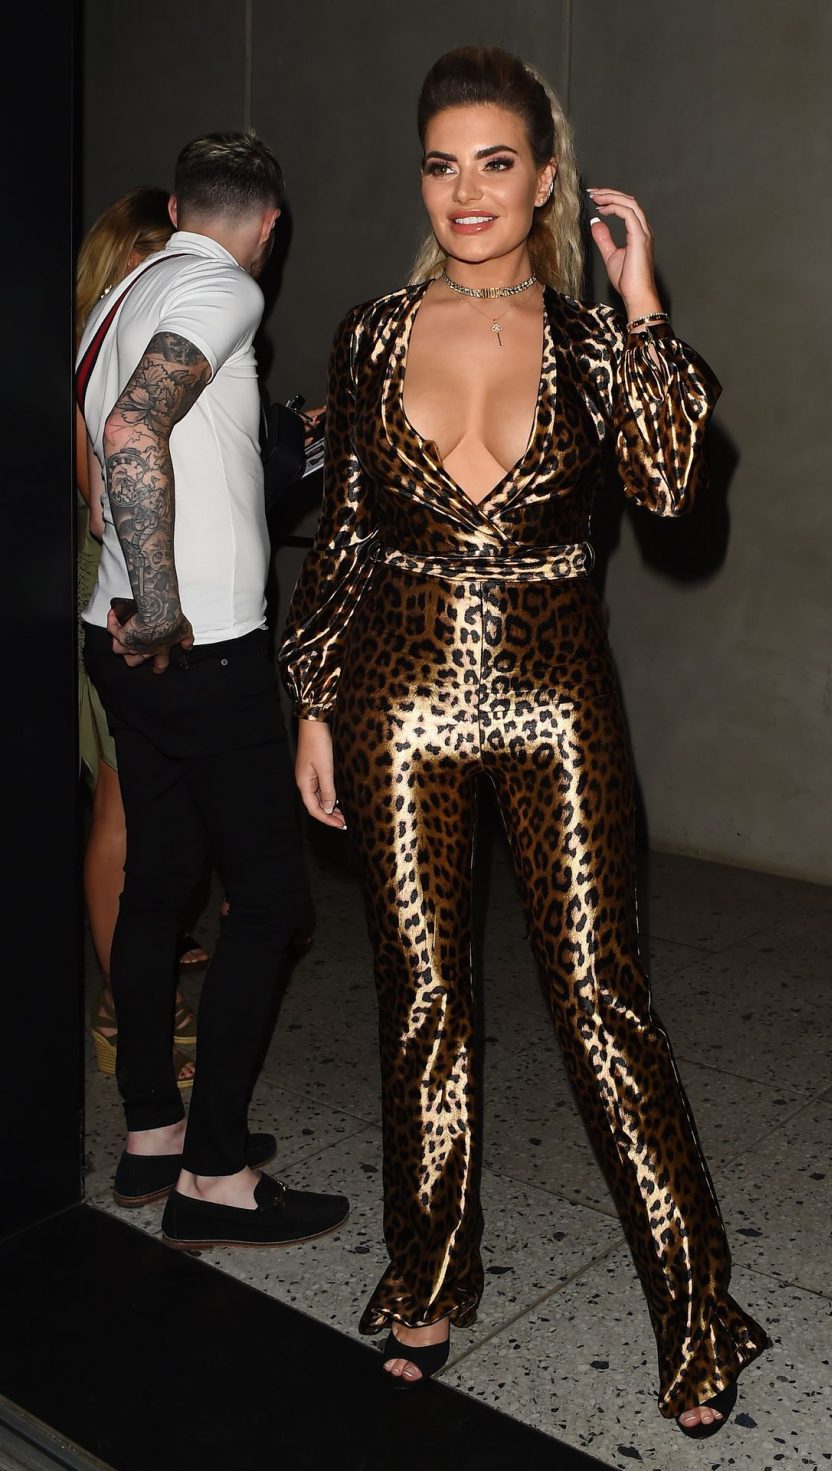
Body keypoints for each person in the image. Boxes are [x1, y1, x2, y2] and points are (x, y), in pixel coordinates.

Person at [280, 46, 768, 1438]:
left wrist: (643, 302)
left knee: (605, 1004)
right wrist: (315, 699)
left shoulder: (595, 342)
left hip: (558, 700)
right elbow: (350, 529)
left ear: (546, 178)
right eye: (442, 164)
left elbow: (669, 486)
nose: (466, 191)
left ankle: (696, 1309)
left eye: (496, 162)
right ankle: (429, 1277)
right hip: (401, 694)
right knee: (422, 1004)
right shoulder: (371, 333)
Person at [80, 130, 349, 1249]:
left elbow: (140, 435)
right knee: (273, 905)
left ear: (180, 205)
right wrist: (163, 601)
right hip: (199, 651)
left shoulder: (125, 288)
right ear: (269, 226)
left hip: (118, 643)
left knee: (159, 884)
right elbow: (136, 425)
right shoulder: (225, 287)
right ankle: (217, 1177)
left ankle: (154, 1131)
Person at [75, 187, 209, 1094]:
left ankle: (140, 980)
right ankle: (128, 1008)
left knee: (164, 806)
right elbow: (103, 506)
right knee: (124, 811)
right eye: (158, 260)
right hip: (122, 601)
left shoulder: (131, 348)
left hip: (159, 599)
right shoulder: (100, 359)